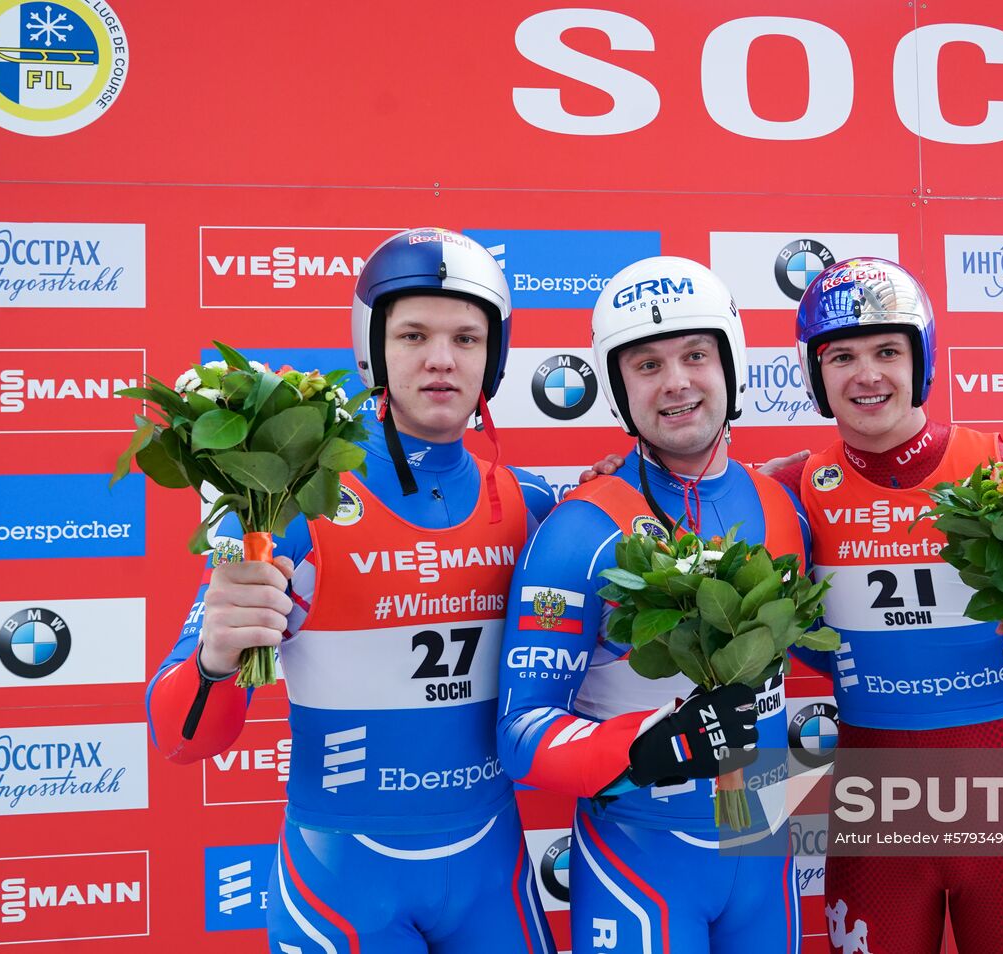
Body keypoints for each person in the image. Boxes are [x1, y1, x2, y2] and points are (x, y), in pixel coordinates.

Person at [146, 227, 557, 953]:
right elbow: (182, 739)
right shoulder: (293, 503)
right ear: (373, 347)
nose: (440, 359)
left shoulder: (533, 504)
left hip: (492, 870)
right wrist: (215, 657)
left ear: (493, 359)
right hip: (343, 884)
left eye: (466, 338)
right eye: (413, 335)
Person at [784, 256, 1003, 954]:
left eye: (888, 350)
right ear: (816, 375)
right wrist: (617, 470)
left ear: (923, 359)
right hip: (875, 815)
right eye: (841, 356)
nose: (867, 374)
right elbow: (678, 513)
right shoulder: (789, 488)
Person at [496, 256, 810, 954]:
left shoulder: (783, 506)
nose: (675, 382)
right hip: (640, 862)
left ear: (731, 366)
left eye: (696, 355)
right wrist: (644, 745)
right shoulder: (580, 530)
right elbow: (518, 737)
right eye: (645, 365)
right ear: (616, 388)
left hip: (762, 854)